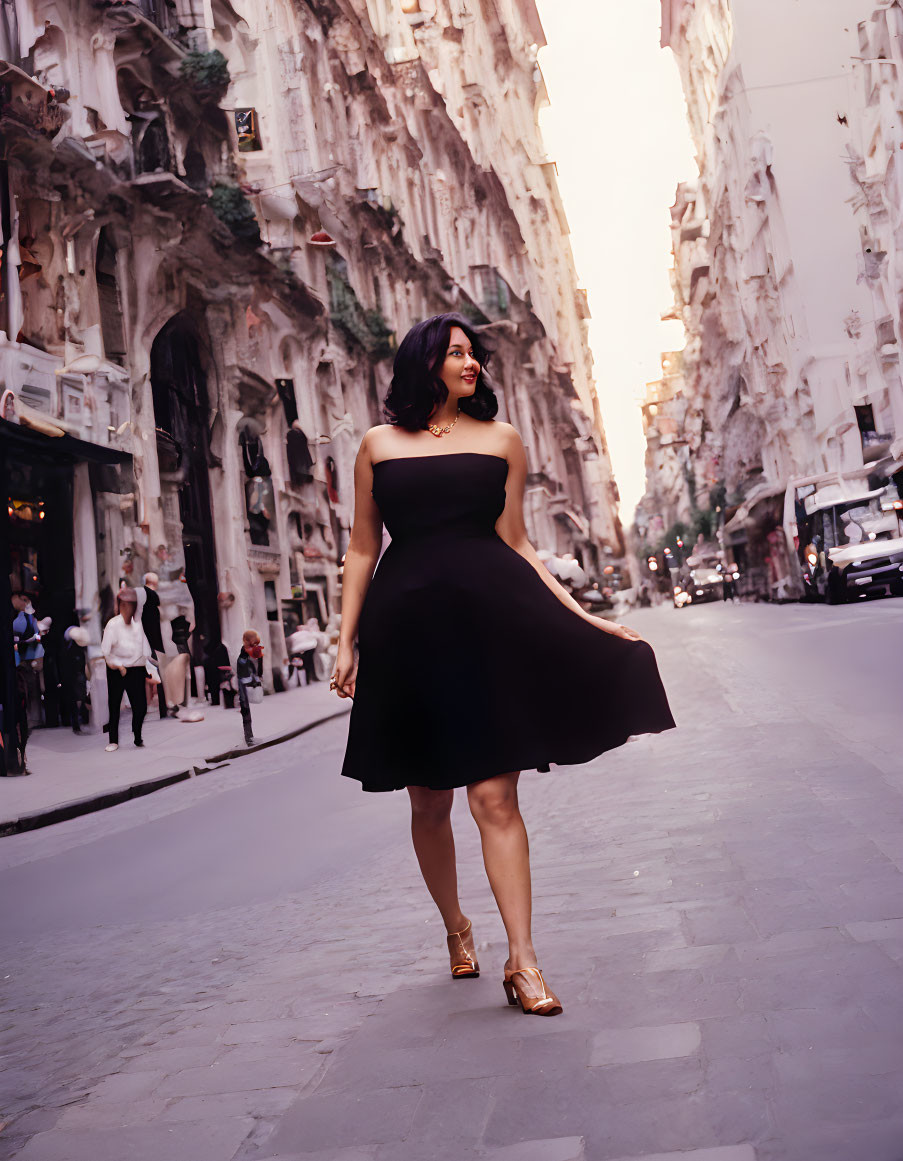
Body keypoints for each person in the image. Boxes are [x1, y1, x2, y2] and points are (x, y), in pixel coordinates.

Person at [332, 314, 676, 1018]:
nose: (471, 363)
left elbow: (517, 544)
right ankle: (457, 927)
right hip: (405, 632)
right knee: (427, 799)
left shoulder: (502, 441)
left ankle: (522, 959)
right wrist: (344, 641)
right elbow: (363, 548)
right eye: (456, 352)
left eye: (473, 354)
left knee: (494, 798)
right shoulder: (375, 445)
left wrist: (586, 617)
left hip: (488, 628)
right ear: (423, 363)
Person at [101, 587, 154, 752]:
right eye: (126, 605)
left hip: (136, 668)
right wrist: (117, 665)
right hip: (117, 669)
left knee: (141, 706)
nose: (129, 608)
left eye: (132, 605)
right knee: (115, 704)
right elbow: (106, 651)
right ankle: (113, 740)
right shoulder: (113, 624)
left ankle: (137, 734)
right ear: (121, 605)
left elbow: (145, 649)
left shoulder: (138, 625)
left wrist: (148, 666)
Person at [11, 592, 44, 728]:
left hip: (29, 656)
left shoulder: (25, 618)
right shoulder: (27, 618)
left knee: (30, 688)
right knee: (30, 688)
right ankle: (33, 718)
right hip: (29, 656)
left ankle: (33, 719)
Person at [59, 626, 90, 734]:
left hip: (75, 675)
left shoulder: (71, 648)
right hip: (76, 676)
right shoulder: (73, 649)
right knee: (77, 699)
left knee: (77, 699)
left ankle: (78, 723)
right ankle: (77, 723)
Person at [236, 629, 264, 746]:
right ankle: (249, 737)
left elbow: (244, 668)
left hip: (246, 683)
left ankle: (249, 737)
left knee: (246, 710)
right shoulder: (254, 652)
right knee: (246, 711)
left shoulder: (246, 652)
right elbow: (258, 668)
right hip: (249, 683)